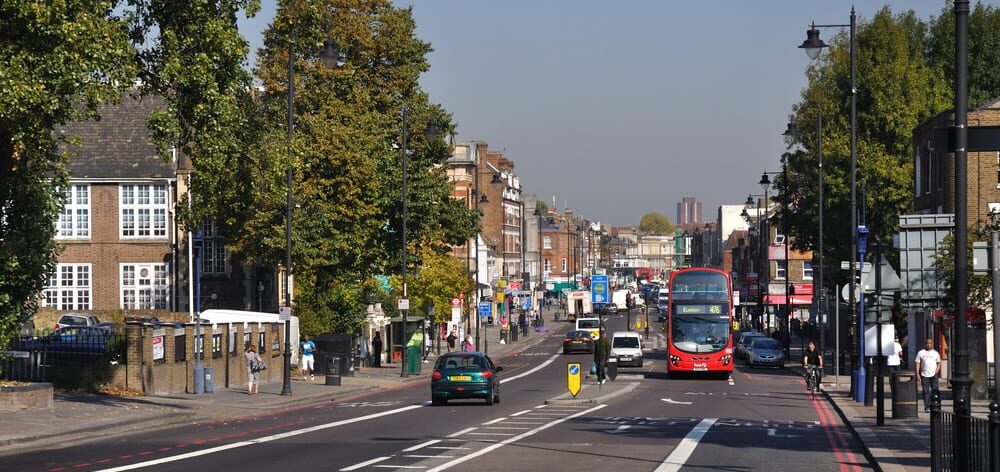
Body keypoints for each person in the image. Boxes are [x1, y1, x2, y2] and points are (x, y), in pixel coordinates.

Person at [915, 338, 942, 413]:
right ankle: (927, 407)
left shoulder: (935, 353)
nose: (928, 344)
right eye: (927, 343)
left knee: (935, 390)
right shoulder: (921, 353)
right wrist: (917, 374)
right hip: (924, 374)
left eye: (930, 343)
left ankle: (936, 405)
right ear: (925, 344)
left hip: (933, 374)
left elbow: (939, 362)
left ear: (932, 344)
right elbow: (917, 363)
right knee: (926, 391)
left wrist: (937, 370)